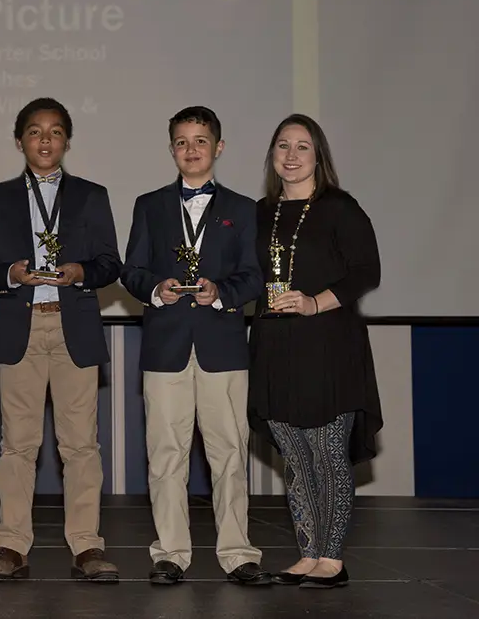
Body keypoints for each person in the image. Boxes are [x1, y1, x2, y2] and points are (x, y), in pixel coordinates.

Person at [0, 97, 123, 581]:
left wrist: (81, 272)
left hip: (73, 326)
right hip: (21, 326)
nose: (45, 140)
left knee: (81, 445)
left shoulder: (92, 195)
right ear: (19, 140)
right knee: (17, 445)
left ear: (67, 142)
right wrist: (11, 274)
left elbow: (110, 263)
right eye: (35, 131)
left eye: (55, 132)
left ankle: (87, 546)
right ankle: (11, 545)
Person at [121, 106, 269, 585]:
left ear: (218, 147)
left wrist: (221, 292)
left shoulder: (244, 209)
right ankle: (170, 553)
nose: (191, 149)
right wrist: (155, 288)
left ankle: (238, 553)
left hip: (222, 346)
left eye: (200, 140)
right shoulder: (149, 205)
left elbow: (255, 276)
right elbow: (132, 270)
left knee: (230, 454)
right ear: (171, 149)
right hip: (164, 347)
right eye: (182, 141)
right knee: (166, 454)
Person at [247, 114, 382, 589]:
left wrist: (313, 302)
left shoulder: (339, 207)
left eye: (302, 146)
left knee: (327, 451)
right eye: (283, 145)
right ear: (272, 154)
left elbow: (366, 271)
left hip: (328, 344)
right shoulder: (259, 212)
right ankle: (308, 553)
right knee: (295, 455)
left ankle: (332, 559)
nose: (291, 155)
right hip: (274, 345)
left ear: (318, 156)